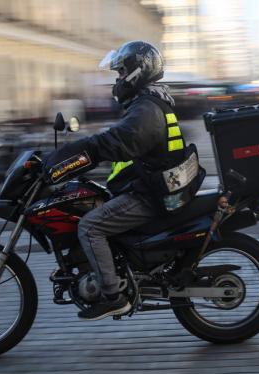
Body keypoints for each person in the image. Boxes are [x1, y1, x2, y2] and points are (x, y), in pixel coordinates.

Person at [43, 41, 204, 321]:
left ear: (136, 73)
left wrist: (72, 155)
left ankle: (113, 297)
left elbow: (116, 143)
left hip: (153, 195)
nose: (117, 80)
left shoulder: (147, 110)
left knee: (90, 226)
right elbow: (121, 139)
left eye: (120, 73)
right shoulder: (148, 103)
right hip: (154, 185)